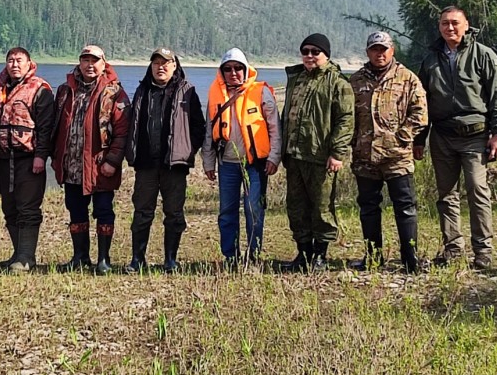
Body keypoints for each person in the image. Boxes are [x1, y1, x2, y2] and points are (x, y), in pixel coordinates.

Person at [413, 6, 497, 270]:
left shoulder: (484, 55)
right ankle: (453, 249)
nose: (450, 28)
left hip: (475, 136)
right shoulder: (431, 59)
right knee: (446, 195)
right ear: (439, 27)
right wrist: (419, 139)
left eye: (455, 23)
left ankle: (483, 252)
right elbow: (421, 102)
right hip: (442, 135)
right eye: (445, 24)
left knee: (478, 191)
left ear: (467, 25)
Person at [348, 32, 428, 273]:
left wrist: (401, 138)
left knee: (405, 207)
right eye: (375, 49)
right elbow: (347, 117)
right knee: (368, 207)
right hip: (365, 156)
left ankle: (410, 259)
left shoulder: (407, 78)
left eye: (384, 49)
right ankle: (373, 258)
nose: (379, 53)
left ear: (392, 50)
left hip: (397, 157)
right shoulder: (355, 81)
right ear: (368, 52)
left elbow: (420, 113)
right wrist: (351, 143)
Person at [51, 45, 132, 274]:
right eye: (85, 60)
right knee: (76, 211)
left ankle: (104, 259)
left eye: (94, 60)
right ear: (79, 63)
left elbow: (122, 131)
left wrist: (113, 161)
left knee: (104, 211)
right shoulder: (65, 90)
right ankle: (80, 257)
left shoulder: (114, 92)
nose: (90, 65)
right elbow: (56, 126)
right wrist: (55, 157)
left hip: (100, 167)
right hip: (72, 166)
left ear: (103, 63)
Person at [125, 47, 206, 273]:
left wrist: (187, 150)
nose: (161, 67)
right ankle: (137, 259)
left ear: (175, 66)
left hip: (175, 166)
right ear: (151, 66)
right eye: (156, 63)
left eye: (166, 63)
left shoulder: (187, 91)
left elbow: (199, 127)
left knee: (174, 213)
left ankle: (170, 259)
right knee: (142, 212)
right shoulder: (142, 90)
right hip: (146, 165)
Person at [280, 34, 354, 272]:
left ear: (326, 55)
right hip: (294, 155)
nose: (309, 56)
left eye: (315, 52)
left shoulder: (338, 83)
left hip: (321, 157)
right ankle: (303, 254)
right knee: (296, 206)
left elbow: (345, 120)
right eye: (305, 51)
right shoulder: (296, 78)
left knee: (322, 208)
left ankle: (320, 256)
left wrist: (337, 153)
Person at [202, 48, 281, 267]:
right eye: (228, 69)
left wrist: (274, 157)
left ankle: (253, 255)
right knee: (227, 211)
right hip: (227, 164)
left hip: (255, 165)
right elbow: (209, 132)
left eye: (238, 68)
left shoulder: (261, 92)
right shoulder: (215, 95)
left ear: (246, 69)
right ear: (222, 72)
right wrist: (208, 161)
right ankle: (230, 256)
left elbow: (275, 128)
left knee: (253, 209)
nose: (233, 72)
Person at [0, 47, 55, 273]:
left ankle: (27, 257)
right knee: (10, 208)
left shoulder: (40, 89)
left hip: (29, 158)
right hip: (4, 158)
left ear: (29, 63)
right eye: (10, 60)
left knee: (28, 208)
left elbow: (46, 128)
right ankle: (17, 253)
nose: (14, 64)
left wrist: (40, 156)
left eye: (19, 60)